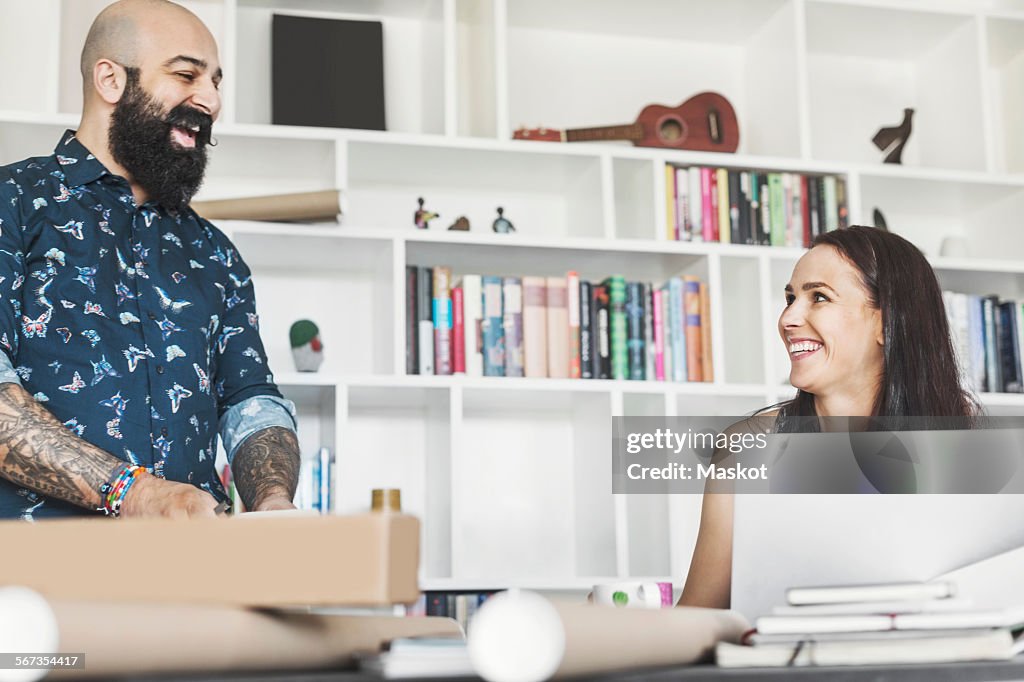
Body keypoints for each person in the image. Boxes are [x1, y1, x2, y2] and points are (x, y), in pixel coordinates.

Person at [0, 0, 300, 520]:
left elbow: (250, 401)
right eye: (186, 74)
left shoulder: (215, 252)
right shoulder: (14, 203)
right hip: (35, 579)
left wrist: (273, 501)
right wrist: (135, 493)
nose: (209, 99)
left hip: (194, 572)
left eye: (215, 82)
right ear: (111, 80)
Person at [677, 226, 978, 608]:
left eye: (819, 297)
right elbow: (700, 618)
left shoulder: (965, 447)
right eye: (790, 298)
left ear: (886, 324)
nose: (788, 318)